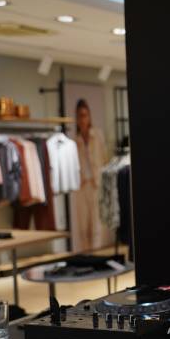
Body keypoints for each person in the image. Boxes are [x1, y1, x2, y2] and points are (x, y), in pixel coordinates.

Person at [70, 99, 109, 252]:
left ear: (89, 116)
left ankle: (96, 253)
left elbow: (104, 159)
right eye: (79, 116)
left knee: (96, 222)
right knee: (83, 223)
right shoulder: (75, 140)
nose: (82, 119)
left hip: (96, 184)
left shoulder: (98, 136)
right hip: (81, 185)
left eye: (85, 115)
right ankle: (85, 254)